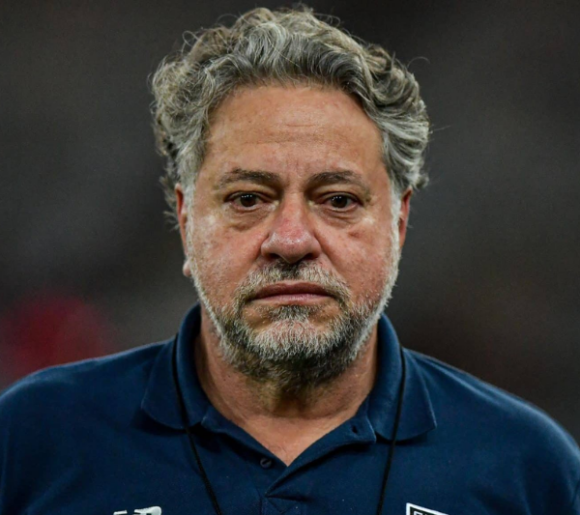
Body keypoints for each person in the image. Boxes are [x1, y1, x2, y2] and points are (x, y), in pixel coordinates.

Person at [0, 6, 578, 515]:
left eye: (339, 200)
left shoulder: (529, 469)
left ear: (399, 222)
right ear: (185, 219)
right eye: (248, 199)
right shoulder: (32, 439)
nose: (292, 239)